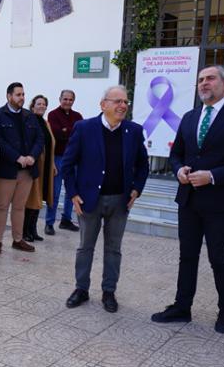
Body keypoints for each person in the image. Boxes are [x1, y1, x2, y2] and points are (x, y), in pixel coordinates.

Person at [151, 65, 224, 334]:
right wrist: (178, 170)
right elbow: (177, 153)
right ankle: (182, 307)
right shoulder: (190, 117)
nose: (204, 84)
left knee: (218, 258)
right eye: (200, 80)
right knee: (187, 256)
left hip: (220, 203)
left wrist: (212, 176)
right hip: (188, 199)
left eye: (210, 78)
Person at [63, 86, 149, 313]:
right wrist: (72, 193)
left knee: (113, 249)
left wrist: (136, 190)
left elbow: (143, 165)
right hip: (89, 200)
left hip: (120, 201)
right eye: (117, 101)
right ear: (103, 104)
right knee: (85, 247)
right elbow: (68, 164)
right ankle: (81, 289)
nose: (122, 106)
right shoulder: (84, 128)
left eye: (125, 102)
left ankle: (109, 291)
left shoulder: (134, 131)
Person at [0, 82, 44, 255]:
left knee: (19, 207)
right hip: (6, 170)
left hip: (26, 171)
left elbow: (39, 139)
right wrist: (17, 157)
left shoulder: (30, 116)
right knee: (2, 206)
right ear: (9, 96)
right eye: (18, 94)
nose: (22, 98)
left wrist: (32, 157)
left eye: (23, 94)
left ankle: (18, 240)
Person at [45, 89, 83, 235]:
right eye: (65, 99)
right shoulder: (53, 115)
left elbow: (80, 136)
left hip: (74, 159)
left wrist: (67, 131)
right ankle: (49, 222)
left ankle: (66, 220)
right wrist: (69, 133)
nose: (67, 102)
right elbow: (56, 134)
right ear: (60, 99)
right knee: (55, 192)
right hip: (58, 158)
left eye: (70, 99)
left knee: (71, 191)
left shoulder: (78, 116)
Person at [23, 95, 56, 242]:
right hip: (34, 165)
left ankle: (33, 230)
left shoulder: (45, 122)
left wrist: (53, 164)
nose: (42, 106)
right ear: (32, 106)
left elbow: (50, 145)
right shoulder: (29, 120)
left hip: (46, 166)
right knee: (31, 199)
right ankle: (25, 231)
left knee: (39, 198)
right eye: (39, 104)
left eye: (44, 104)